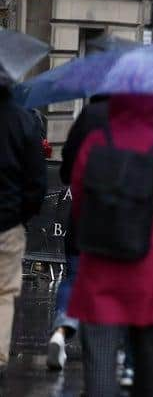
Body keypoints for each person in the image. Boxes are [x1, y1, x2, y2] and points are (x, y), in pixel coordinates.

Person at [67, 94, 153, 397]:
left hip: (101, 258)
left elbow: (79, 195)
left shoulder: (97, 140)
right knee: (147, 350)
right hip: (149, 262)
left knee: (99, 347)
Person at [46, 97, 109, 371]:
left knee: (74, 274)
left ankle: (62, 329)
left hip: (85, 210)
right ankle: (104, 348)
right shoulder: (142, 117)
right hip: (123, 217)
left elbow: (67, 166)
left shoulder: (89, 115)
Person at [0, 86, 47, 375]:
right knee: (3, 292)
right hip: (7, 222)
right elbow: (37, 182)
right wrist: (22, 215)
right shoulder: (23, 121)